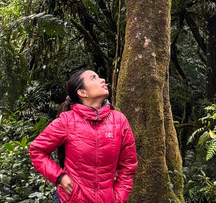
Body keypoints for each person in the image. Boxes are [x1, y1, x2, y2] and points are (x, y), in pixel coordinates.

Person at [29, 69, 138, 203]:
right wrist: (59, 177)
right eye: (94, 78)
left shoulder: (119, 121)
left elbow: (128, 165)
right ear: (82, 92)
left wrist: (118, 198)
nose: (102, 80)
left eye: (99, 77)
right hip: (71, 199)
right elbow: (36, 150)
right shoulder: (67, 121)